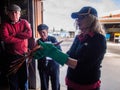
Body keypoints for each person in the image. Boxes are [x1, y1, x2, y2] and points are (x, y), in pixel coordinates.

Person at [34, 6, 106, 90]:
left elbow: (83, 66)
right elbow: (69, 55)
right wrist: (49, 52)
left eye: (81, 17)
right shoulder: (79, 37)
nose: (77, 20)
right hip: (71, 83)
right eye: (77, 18)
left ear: (92, 19)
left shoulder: (99, 39)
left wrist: (54, 54)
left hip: (87, 86)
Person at [0, 4, 32, 90]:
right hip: (11, 56)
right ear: (8, 14)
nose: (14, 15)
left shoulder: (24, 22)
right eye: (12, 13)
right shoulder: (5, 25)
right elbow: (6, 39)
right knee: (12, 79)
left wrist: (14, 35)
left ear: (19, 14)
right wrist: (21, 38)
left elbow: (29, 34)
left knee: (24, 78)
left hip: (23, 55)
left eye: (16, 13)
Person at [35, 24, 61, 90]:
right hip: (42, 66)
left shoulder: (53, 39)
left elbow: (59, 51)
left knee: (55, 84)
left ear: (47, 31)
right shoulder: (38, 42)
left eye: (43, 32)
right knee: (44, 85)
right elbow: (35, 56)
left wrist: (50, 49)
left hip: (54, 65)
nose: (42, 34)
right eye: (40, 33)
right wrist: (33, 53)